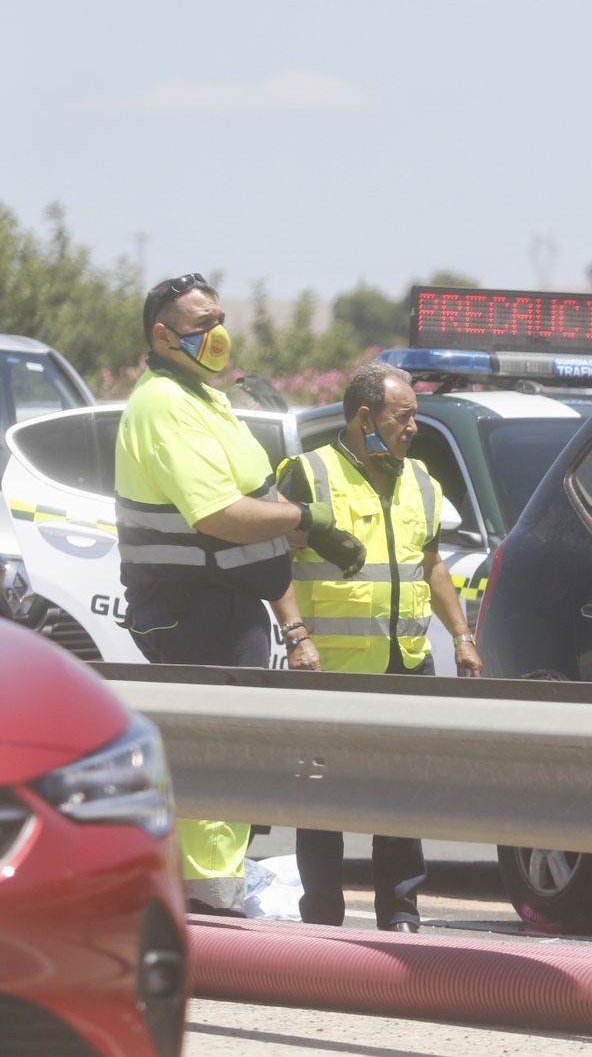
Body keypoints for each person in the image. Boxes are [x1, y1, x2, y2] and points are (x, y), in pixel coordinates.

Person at [115, 273, 364, 915]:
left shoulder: (208, 399)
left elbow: (260, 508)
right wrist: (308, 519)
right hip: (190, 611)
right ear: (163, 336)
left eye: (220, 319)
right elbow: (220, 516)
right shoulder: (165, 404)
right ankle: (206, 908)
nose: (218, 334)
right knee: (213, 758)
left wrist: (295, 605)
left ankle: (212, 896)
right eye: (203, 325)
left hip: (228, 610)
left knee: (230, 758)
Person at [276, 359, 484, 933]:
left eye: (415, 416)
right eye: (402, 417)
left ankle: (401, 913)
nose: (413, 427)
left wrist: (462, 636)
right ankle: (323, 918)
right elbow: (274, 562)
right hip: (329, 669)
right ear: (365, 418)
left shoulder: (421, 479)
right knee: (323, 802)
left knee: (400, 796)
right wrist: (296, 636)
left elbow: (432, 563)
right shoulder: (309, 474)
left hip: (406, 664)